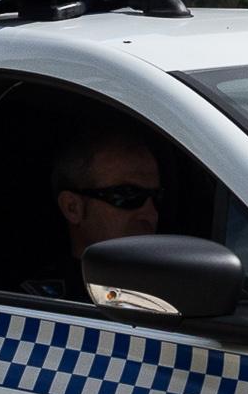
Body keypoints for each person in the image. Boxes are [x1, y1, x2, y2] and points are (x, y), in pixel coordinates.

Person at [32, 122, 166, 300]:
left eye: (156, 197)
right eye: (127, 195)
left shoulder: (173, 292)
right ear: (72, 208)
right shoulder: (39, 304)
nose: (150, 214)